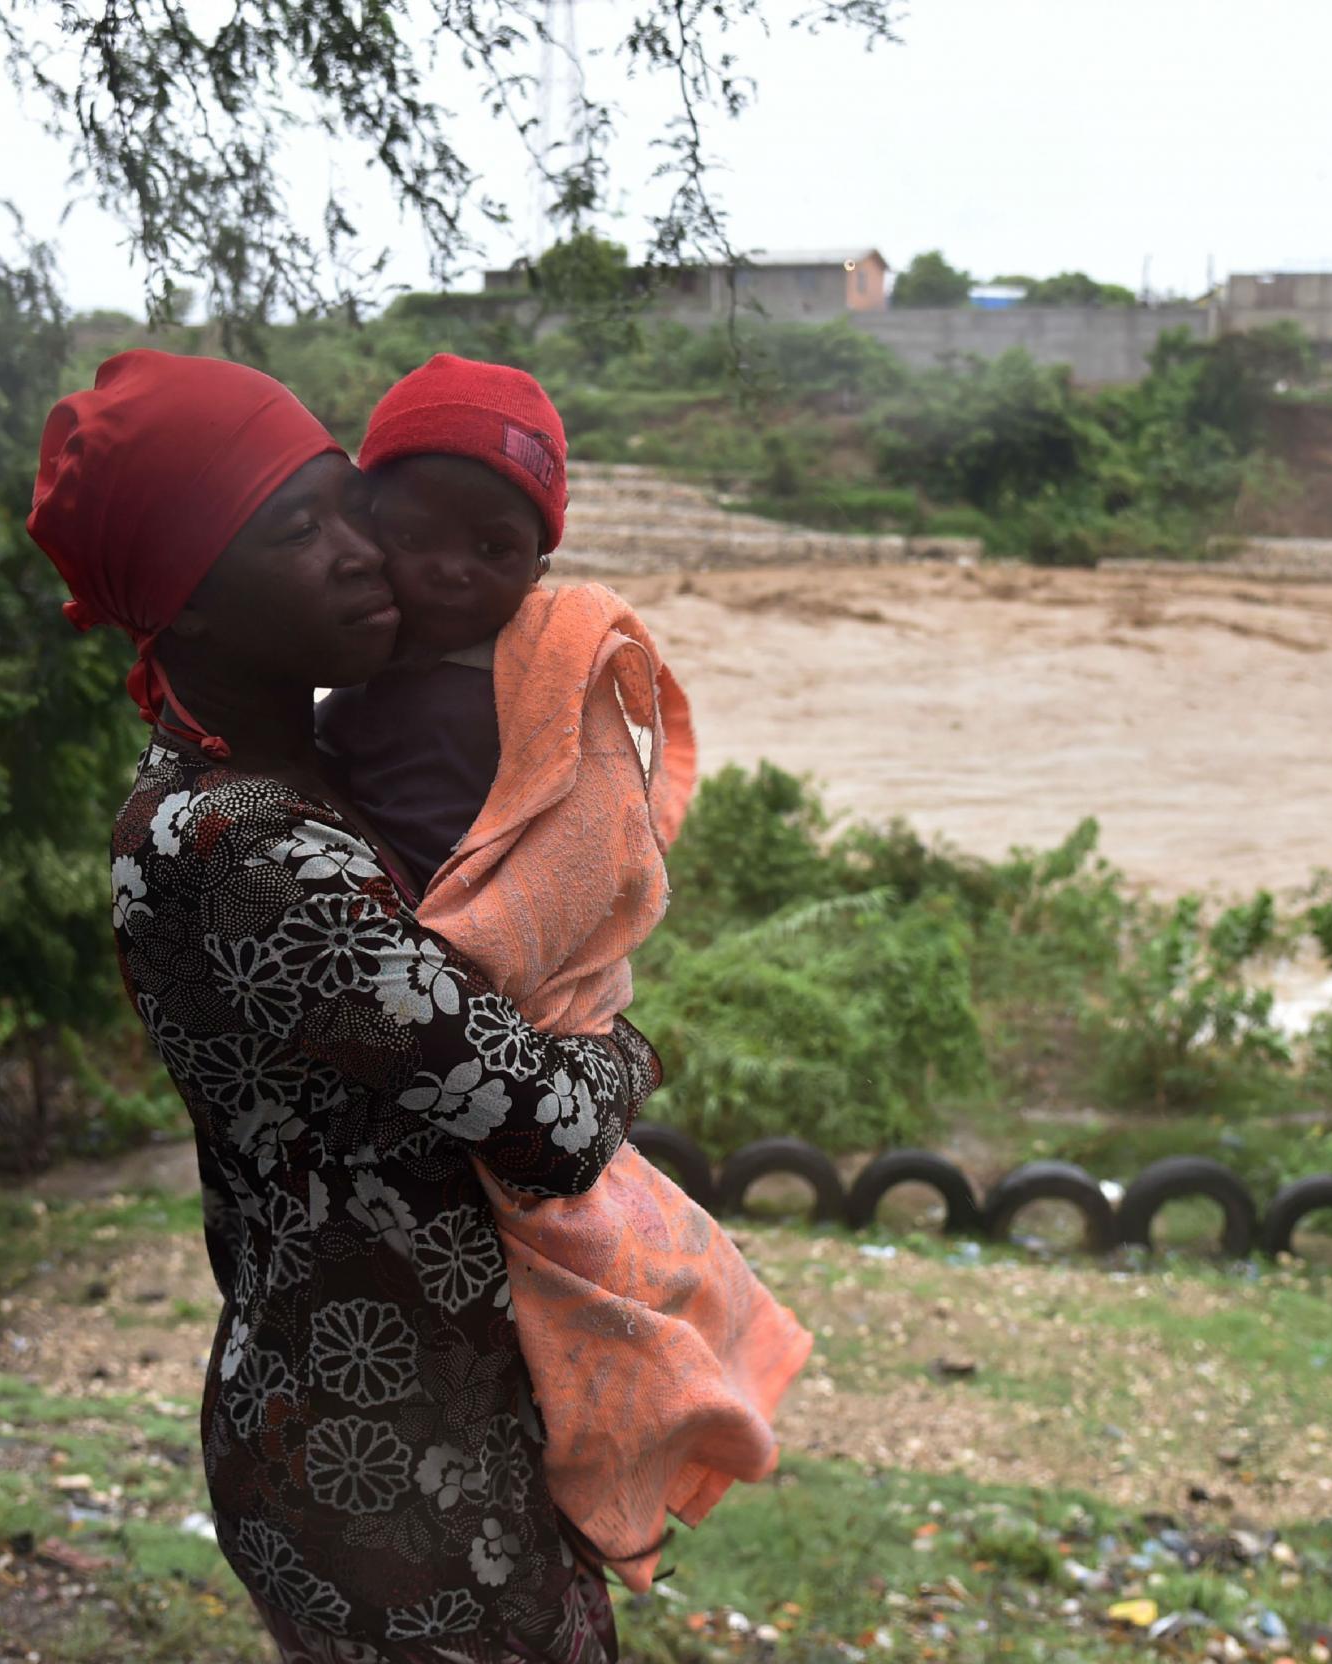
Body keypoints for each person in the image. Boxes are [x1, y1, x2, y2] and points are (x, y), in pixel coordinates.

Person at [27, 347, 652, 1664]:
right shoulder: (249, 849)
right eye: (296, 531)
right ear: (188, 602)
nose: (364, 552)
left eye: (345, 504)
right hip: (376, 1468)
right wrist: (624, 1044)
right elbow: (544, 1124)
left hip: (421, 1416)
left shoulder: (303, 775)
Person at [318, 355, 809, 1591]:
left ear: (536, 568)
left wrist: (560, 1012)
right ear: (361, 521)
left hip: (514, 1024)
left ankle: (633, 1451)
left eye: (493, 546)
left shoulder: (510, 690)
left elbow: (566, 865)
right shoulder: (341, 707)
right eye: (418, 532)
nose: (452, 569)